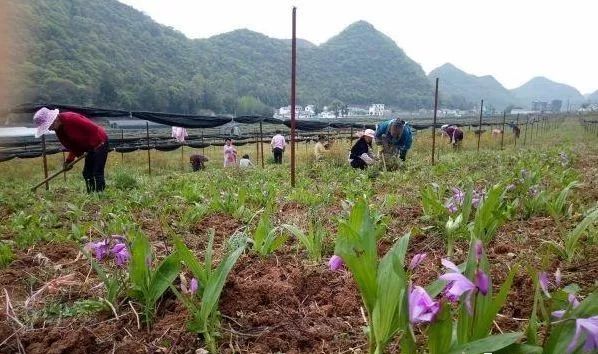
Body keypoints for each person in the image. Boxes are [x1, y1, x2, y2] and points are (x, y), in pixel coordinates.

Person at [33, 107, 109, 193]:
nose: (49, 129)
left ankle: (100, 195)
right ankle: (91, 194)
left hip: (100, 141)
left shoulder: (72, 119)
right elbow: (72, 145)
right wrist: (68, 161)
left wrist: (93, 147)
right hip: (89, 147)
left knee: (97, 172)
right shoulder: (59, 129)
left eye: (48, 126)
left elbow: (93, 130)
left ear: (54, 120)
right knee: (87, 173)